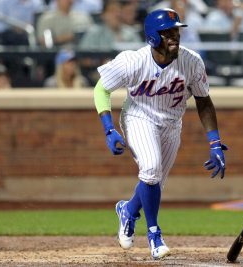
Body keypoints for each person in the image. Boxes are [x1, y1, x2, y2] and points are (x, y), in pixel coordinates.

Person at [93, 8, 227, 260]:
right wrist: (108, 128)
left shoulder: (192, 61)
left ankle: (128, 210)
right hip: (138, 117)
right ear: (153, 36)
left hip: (172, 123)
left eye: (176, 31)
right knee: (152, 170)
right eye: (167, 33)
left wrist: (215, 142)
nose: (174, 37)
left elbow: (204, 100)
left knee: (153, 181)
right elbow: (101, 90)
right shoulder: (132, 61)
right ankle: (154, 235)